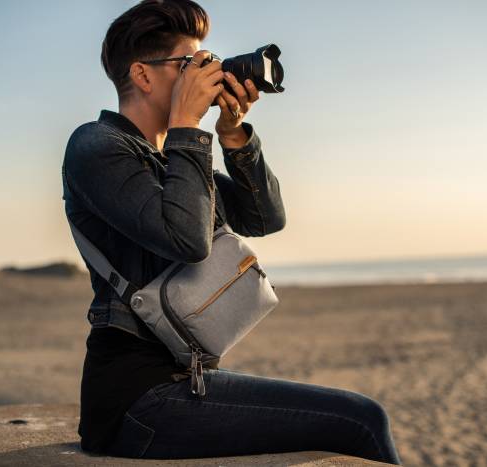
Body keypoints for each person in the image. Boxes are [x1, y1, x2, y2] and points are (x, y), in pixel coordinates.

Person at [61, 0, 402, 464]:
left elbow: (265, 218)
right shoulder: (96, 145)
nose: (204, 73)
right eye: (190, 64)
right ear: (142, 75)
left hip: (185, 379)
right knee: (361, 419)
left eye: (207, 60)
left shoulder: (173, 159)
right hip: (135, 400)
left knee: (360, 417)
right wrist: (187, 127)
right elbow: (187, 240)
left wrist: (233, 134)